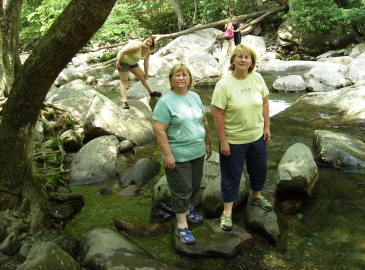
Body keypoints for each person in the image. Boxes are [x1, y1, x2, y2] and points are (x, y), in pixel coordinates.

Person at [211, 44, 273, 232]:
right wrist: (223, 141)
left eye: (247, 57)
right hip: (234, 140)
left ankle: (256, 195)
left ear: (252, 61)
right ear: (233, 60)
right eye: (239, 56)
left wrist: (267, 127)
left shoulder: (257, 78)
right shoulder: (224, 84)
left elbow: (265, 102)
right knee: (231, 176)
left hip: (256, 136)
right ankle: (227, 212)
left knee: (259, 169)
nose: (243, 60)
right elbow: (216, 114)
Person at [152, 63, 212, 244]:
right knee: (181, 190)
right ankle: (181, 225)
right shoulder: (165, 102)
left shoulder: (194, 97)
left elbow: (204, 121)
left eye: (184, 75)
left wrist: (208, 143)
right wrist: (168, 155)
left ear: (190, 79)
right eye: (177, 75)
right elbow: (159, 130)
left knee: (193, 186)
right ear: (171, 79)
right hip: (178, 154)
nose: (181, 78)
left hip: (197, 151)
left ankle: (186, 212)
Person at [116, 36, 162, 109]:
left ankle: (152, 93)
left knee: (143, 77)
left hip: (133, 62)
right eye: (147, 41)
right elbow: (122, 52)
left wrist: (146, 74)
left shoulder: (148, 50)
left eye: (150, 42)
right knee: (124, 80)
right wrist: (118, 63)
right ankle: (124, 101)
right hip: (123, 61)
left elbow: (146, 63)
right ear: (143, 40)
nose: (148, 43)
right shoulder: (136, 46)